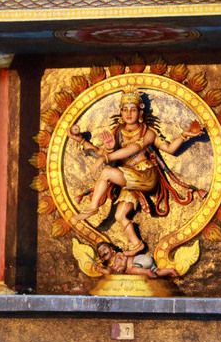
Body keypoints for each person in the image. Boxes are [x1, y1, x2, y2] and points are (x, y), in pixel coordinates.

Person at [67, 86, 203, 256]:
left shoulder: (148, 133)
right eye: (125, 110)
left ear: (140, 113)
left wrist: (184, 135)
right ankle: (137, 244)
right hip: (128, 179)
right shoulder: (117, 133)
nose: (129, 113)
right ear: (121, 112)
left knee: (106, 172)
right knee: (120, 215)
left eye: (133, 110)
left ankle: (94, 206)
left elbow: (159, 149)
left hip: (145, 175)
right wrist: (81, 140)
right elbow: (99, 152)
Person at [93, 242, 179, 278]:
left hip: (141, 260)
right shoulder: (109, 266)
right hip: (144, 264)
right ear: (100, 256)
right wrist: (100, 270)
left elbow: (126, 258)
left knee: (131, 269)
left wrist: (122, 267)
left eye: (104, 249)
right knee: (157, 272)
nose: (103, 252)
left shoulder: (119, 255)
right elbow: (108, 272)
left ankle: (147, 272)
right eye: (100, 252)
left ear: (112, 250)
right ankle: (170, 271)